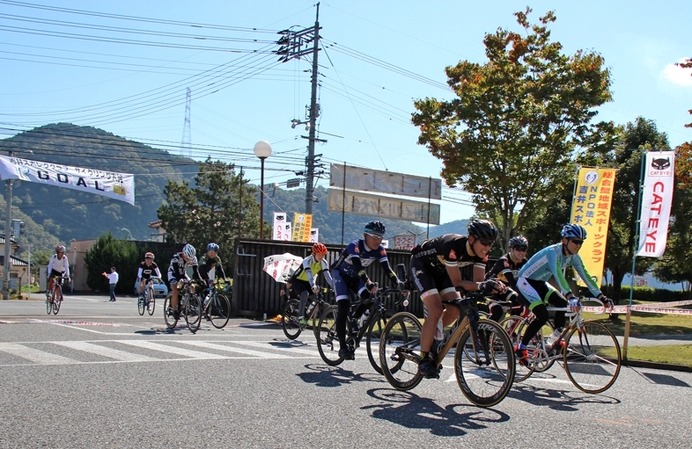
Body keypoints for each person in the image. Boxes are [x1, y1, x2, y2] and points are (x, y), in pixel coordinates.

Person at [409, 219, 505, 378]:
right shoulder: (453, 246)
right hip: (421, 266)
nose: (487, 247)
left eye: (491, 244)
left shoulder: (483, 254)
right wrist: (481, 286)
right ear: (472, 238)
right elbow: (458, 282)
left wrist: (491, 286)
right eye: (484, 242)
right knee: (436, 309)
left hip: (441, 271)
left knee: (455, 310)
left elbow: (477, 283)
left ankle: (432, 333)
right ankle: (424, 358)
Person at [514, 224, 614, 366]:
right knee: (542, 314)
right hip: (525, 281)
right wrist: (570, 295)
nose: (578, 245)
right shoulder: (553, 252)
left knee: (563, 305)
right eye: (575, 241)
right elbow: (559, 275)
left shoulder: (574, 257)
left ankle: (555, 338)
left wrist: (601, 297)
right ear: (565, 240)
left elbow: (585, 276)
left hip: (540, 283)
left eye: (581, 242)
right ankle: (521, 348)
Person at [331, 221, 405, 360]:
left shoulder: (380, 250)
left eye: (380, 237)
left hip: (356, 277)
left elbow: (387, 270)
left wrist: (399, 284)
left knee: (369, 298)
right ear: (365, 235)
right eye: (374, 236)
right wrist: (369, 283)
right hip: (341, 275)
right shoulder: (355, 246)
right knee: (344, 306)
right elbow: (359, 267)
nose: (378, 240)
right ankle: (342, 347)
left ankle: (354, 319)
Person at [484, 235, 530, 322]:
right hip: (491, 289)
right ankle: (484, 333)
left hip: (504, 290)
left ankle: (509, 330)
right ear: (511, 249)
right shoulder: (504, 261)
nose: (521, 252)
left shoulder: (524, 262)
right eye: (518, 249)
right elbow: (512, 281)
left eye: (524, 249)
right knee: (498, 312)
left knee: (519, 303)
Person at [287, 242, 334, 324]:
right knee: (305, 293)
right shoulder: (307, 261)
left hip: (307, 281)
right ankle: (300, 317)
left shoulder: (323, 262)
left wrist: (335, 286)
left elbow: (327, 276)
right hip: (297, 279)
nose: (321, 257)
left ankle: (306, 313)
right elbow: (309, 274)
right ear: (314, 253)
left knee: (317, 297)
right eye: (319, 254)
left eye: (323, 254)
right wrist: (313, 286)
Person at [167, 243, 199, 320]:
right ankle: (174, 310)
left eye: (190, 259)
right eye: (187, 258)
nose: (189, 260)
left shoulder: (193, 258)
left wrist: (200, 280)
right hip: (173, 273)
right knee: (175, 290)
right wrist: (180, 281)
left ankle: (190, 302)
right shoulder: (176, 258)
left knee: (192, 286)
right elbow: (176, 273)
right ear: (183, 254)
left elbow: (196, 272)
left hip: (183, 273)